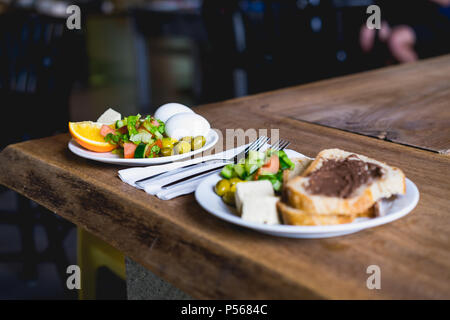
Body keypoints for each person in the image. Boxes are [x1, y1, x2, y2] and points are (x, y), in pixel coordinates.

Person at [360, 0, 450, 63]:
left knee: (397, 40)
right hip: (401, 19)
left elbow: (445, 2)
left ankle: (418, 78)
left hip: (432, 21)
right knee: (367, 32)